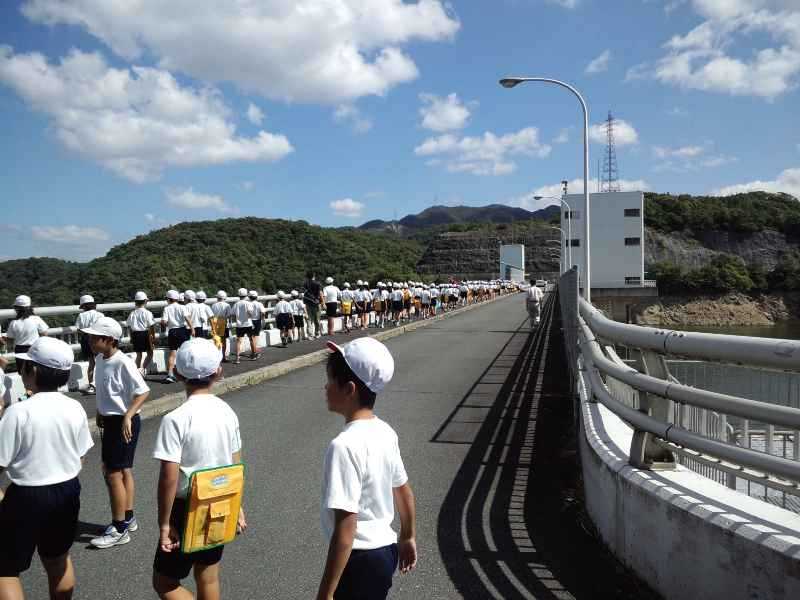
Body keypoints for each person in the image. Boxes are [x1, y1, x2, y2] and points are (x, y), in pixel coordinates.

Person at [317, 338, 417, 600]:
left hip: (358, 558)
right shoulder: (385, 431)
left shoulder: (343, 446)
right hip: (385, 552)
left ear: (349, 389)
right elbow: (404, 492)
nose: (325, 387)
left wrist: (325, 593)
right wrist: (407, 537)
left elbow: (346, 528)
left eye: (330, 381)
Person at [152, 338, 246, 600]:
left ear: (178, 373)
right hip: (221, 500)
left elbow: (169, 477)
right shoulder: (227, 411)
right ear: (218, 372)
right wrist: (236, 504)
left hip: (186, 507)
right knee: (208, 575)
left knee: (165, 581)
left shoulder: (175, 419)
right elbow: (235, 462)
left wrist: (164, 523)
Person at [0, 337, 93, 600]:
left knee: (5, 568)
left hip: (27, 495)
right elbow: (81, 455)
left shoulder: (18, 412)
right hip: (67, 490)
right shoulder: (74, 407)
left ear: (34, 371)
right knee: (58, 559)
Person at [81, 317, 150, 549]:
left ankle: (119, 528)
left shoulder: (123, 362)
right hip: (110, 420)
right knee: (123, 470)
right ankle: (127, 518)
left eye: (94, 337)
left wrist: (128, 416)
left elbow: (142, 392)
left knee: (112, 474)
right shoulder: (101, 359)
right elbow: (107, 390)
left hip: (123, 422)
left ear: (109, 339)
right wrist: (101, 411)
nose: (89, 340)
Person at [161, 290, 193, 383]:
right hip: (182, 330)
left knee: (172, 354)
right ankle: (187, 373)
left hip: (172, 331)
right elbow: (187, 319)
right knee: (185, 352)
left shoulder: (166, 308)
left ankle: (170, 374)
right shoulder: (182, 307)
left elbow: (164, 322)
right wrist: (192, 329)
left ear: (168, 299)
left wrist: (164, 323)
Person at [75, 294, 103, 394]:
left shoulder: (81, 315)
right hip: (96, 337)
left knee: (91, 363)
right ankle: (101, 383)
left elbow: (78, 329)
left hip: (85, 338)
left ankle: (91, 385)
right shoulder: (99, 315)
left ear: (84, 306)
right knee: (101, 361)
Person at [127, 291, 156, 376]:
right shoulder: (147, 313)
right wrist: (153, 337)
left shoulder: (132, 313)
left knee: (138, 355)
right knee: (150, 353)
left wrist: (131, 337)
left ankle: (137, 372)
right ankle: (142, 369)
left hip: (135, 334)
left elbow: (129, 326)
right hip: (145, 334)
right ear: (145, 301)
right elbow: (151, 326)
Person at [232, 288, 258, 364]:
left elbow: (233, 315)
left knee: (239, 341)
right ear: (246, 295)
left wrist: (237, 320)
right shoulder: (248, 303)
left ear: (238, 295)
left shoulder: (236, 304)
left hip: (239, 325)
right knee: (251, 339)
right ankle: (253, 355)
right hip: (248, 324)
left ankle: (237, 358)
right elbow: (250, 313)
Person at [210, 291, 232, 362]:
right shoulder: (227, 305)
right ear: (224, 297)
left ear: (217, 297)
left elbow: (211, 316)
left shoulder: (213, 305)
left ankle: (217, 357)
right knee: (223, 340)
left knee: (216, 339)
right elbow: (229, 315)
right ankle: (223, 357)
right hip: (224, 322)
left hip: (215, 322)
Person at [304, 271, 324, 340]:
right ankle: (317, 333)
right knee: (317, 319)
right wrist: (323, 303)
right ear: (313, 276)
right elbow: (320, 293)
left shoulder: (305, 284)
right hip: (316, 303)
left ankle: (310, 335)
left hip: (308, 303)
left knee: (309, 320)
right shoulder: (317, 283)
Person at [248, 290, 265, 355]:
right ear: (256, 297)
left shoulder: (248, 304)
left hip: (249, 321)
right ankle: (255, 351)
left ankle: (253, 351)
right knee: (256, 336)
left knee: (251, 337)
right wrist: (262, 319)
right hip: (257, 321)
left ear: (249, 297)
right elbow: (263, 312)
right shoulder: (259, 304)